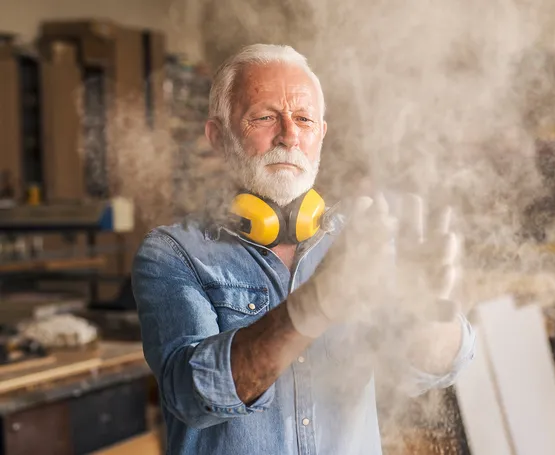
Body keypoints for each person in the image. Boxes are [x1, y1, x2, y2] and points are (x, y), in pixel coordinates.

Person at [132, 44, 476, 455]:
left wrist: (431, 314)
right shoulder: (173, 253)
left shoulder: (363, 239)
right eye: (264, 117)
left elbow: (430, 370)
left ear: (321, 136)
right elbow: (190, 394)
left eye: (304, 119)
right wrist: (312, 307)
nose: (289, 135)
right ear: (218, 137)